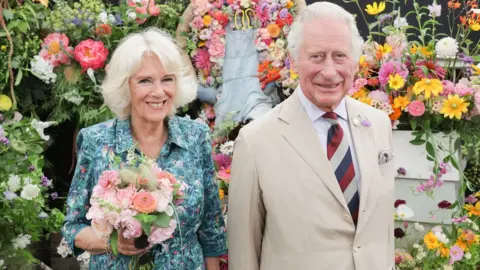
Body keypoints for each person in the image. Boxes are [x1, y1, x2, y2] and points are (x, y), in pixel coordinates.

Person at [227, 2, 395, 270]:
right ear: (294, 61)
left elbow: (379, 228)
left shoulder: (378, 124)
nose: (329, 71)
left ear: (355, 61)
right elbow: (243, 253)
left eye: (340, 56)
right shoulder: (255, 141)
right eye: (317, 56)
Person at [62, 28, 227, 270]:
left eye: (167, 79)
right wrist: (111, 242)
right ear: (125, 86)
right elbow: (72, 227)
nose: (159, 92)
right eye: (145, 80)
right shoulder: (96, 141)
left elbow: (210, 227)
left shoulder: (195, 136)